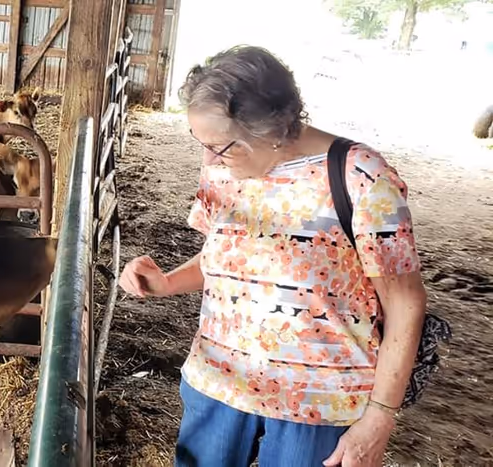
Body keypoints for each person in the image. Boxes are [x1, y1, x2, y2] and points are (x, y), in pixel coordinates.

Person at [119, 45, 428, 467]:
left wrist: (379, 419)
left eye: (222, 146)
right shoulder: (222, 170)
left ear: (272, 129)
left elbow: (406, 303)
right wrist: (167, 282)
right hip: (220, 384)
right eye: (201, 142)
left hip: (319, 403)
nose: (209, 159)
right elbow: (224, 259)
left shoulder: (361, 177)